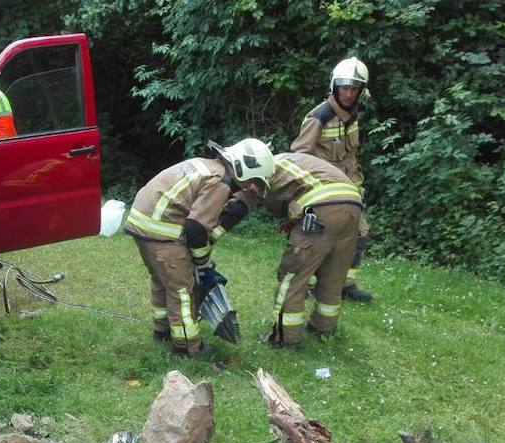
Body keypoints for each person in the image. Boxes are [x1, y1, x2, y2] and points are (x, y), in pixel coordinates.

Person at [123, 138, 274, 357]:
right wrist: (202, 262)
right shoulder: (220, 182)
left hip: (141, 223)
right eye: (252, 180)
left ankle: (162, 331)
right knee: (183, 290)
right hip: (162, 231)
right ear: (242, 167)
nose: (250, 187)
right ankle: (187, 348)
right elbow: (195, 229)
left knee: (161, 280)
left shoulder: (205, 165)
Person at [242, 151, 365, 346]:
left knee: (292, 277)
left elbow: (273, 204)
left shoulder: (271, 173)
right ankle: (323, 328)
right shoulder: (293, 161)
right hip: (353, 207)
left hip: (321, 210)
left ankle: (285, 337)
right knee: (333, 276)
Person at [290, 57, 373, 303]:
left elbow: (350, 158)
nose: (348, 94)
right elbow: (299, 156)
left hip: (349, 190)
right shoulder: (320, 116)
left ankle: (345, 284)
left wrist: (358, 188)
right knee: (316, 239)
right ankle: (307, 285)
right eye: (344, 88)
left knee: (359, 234)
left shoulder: (353, 116)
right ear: (335, 87)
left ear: (361, 91)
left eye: (354, 89)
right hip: (323, 191)